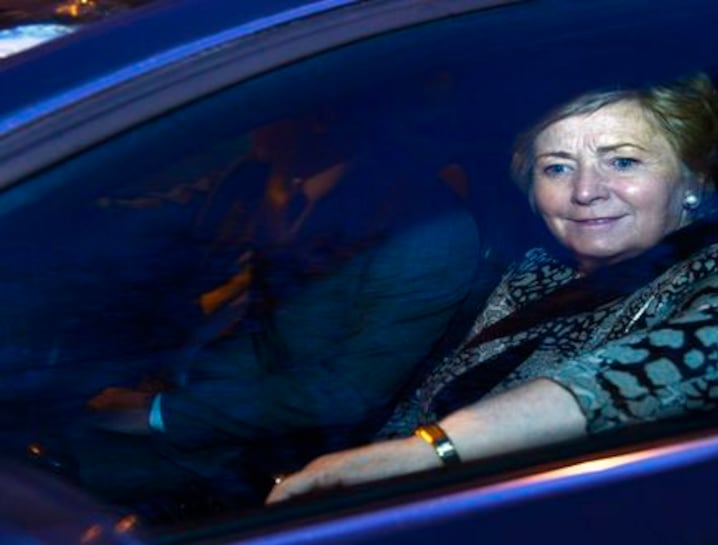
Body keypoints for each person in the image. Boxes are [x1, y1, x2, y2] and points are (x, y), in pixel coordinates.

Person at [266, 74, 718, 503]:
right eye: (557, 168)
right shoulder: (532, 276)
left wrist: (428, 453)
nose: (586, 191)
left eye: (623, 161)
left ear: (693, 181)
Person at [75, 114, 481, 511]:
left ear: (322, 117)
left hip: (257, 448)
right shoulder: (261, 174)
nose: (253, 122)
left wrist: (162, 413)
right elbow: (176, 214)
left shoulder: (424, 230)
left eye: (271, 111)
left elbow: (348, 391)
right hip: (188, 377)